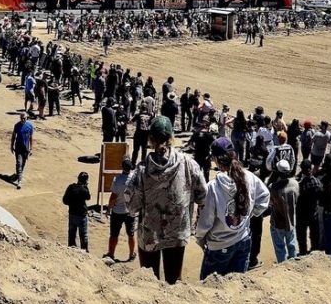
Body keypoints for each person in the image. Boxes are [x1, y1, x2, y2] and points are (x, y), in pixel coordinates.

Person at [125, 116, 207, 284]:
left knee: (149, 280)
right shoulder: (188, 164)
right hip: (177, 233)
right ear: (171, 137)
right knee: (174, 280)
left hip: (149, 234)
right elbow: (202, 195)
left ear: (151, 139)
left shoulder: (142, 170)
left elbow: (131, 206)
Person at [195, 138, 270, 279]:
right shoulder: (249, 177)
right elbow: (264, 197)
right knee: (236, 285)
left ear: (215, 159)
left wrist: (200, 238)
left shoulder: (213, 187)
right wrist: (249, 215)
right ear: (234, 155)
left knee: (209, 288)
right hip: (243, 240)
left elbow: (206, 221)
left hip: (219, 245)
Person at [104, 159, 138, 262]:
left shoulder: (117, 180)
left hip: (118, 211)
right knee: (131, 234)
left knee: (114, 234)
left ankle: (111, 253)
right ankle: (131, 254)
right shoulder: (134, 179)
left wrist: (109, 209)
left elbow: (113, 197)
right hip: (130, 210)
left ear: (122, 167)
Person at [269, 160, 299, 262]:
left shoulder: (273, 187)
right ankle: (294, 263)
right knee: (292, 244)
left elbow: (270, 203)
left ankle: (282, 266)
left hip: (277, 222)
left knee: (280, 247)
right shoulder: (295, 184)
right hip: (291, 220)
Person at [296, 159, 322, 255]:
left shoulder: (299, 184)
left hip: (301, 213)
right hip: (313, 212)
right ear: (311, 169)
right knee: (314, 234)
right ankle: (314, 251)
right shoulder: (317, 182)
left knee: (301, 235)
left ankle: (303, 252)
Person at [63, 172, 91, 252]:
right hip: (81, 215)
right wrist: (86, 187)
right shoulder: (84, 190)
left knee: (71, 234)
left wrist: (71, 204)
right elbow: (88, 197)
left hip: (72, 214)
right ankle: (85, 252)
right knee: (83, 235)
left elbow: (65, 200)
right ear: (85, 181)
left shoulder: (71, 187)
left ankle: (71, 251)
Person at [10, 112, 34, 189]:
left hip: (25, 148)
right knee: (19, 163)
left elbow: (31, 138)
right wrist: (11, 145)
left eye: (24, 118)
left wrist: (31, 148)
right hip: (18, 147)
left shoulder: (30, 126)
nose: (22, 120)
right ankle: (19, 181)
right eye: (21, 118)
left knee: (22, 164)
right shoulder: (17, 125)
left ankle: (17, 175)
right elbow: (13, 136)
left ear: (27, 118)